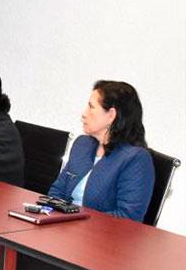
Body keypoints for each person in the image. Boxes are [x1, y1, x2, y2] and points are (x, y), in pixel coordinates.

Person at [47, 81, 154, 221]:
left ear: (111, 115)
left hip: (100, 233)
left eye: (91, 107)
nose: (83, 114)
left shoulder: (136, 159)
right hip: (64, 226)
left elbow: (128, 217)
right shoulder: (82, 145)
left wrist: (76, 222)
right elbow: (57, 191)